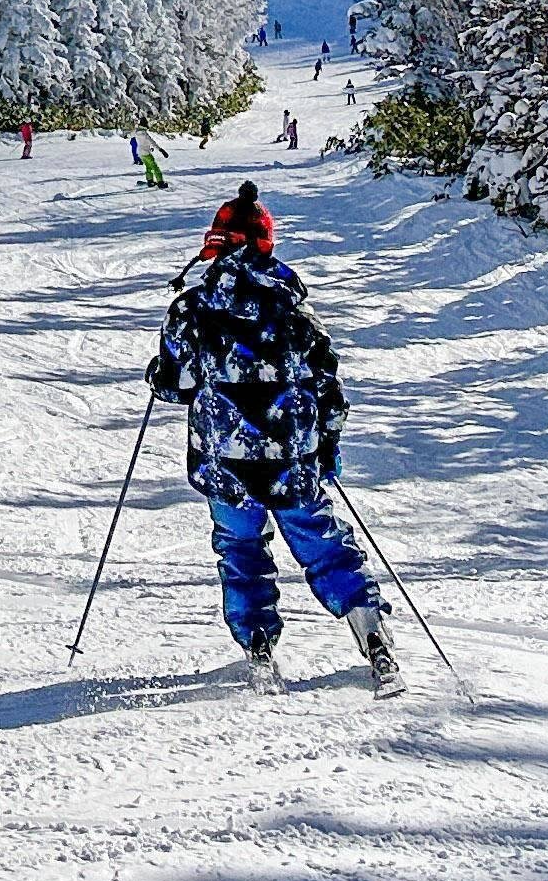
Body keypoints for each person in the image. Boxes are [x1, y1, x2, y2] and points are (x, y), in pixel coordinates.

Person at [147, 190, 397, 694]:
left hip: (227, 466)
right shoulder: (295, 311)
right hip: (293, 463)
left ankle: (258, 646)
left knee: (241, 548)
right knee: (324, 544)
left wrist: (159, 374)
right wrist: (328, 449)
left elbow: (176, 384)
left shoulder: (193, 309)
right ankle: (372, 632)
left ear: (214, 244)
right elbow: (329, 388)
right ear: (266, 245)